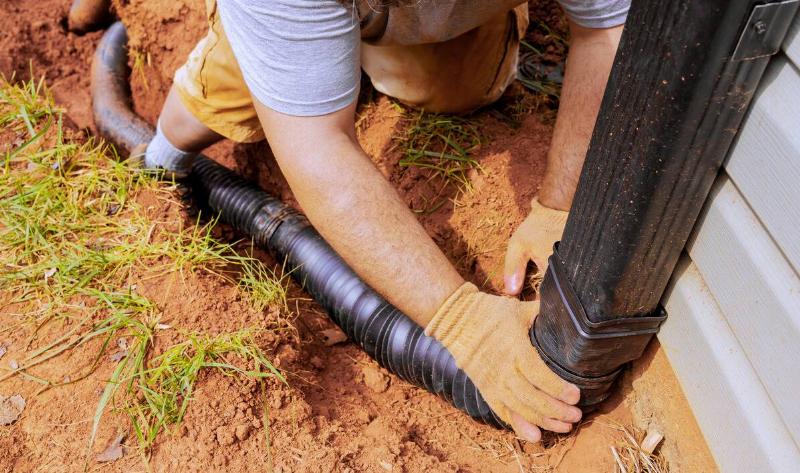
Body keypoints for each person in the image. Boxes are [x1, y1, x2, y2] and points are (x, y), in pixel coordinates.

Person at [136, 0, 626, 443]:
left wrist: (559, 206)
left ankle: (344, 62)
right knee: (207, 108)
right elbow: (317, 147)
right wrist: (462, 324)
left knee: (459, 89)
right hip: (293, 14)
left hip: (436, 13)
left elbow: (609, 28)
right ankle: (160, 152)